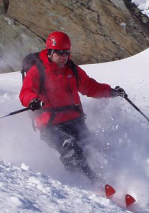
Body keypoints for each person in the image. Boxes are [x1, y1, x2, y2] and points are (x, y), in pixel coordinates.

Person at [19, 31, 126, 183]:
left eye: (66, 53)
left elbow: (90, 87)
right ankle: (84, 182)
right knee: (70, 147)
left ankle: (110, 180)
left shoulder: (72, 70)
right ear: (50, 52)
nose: (63, 56)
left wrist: (110, 92)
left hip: (75, 120)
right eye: (59, 53)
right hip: (50, 123)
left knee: (93, 147)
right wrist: (32, 101)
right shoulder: (38, 71)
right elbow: (26, 92)